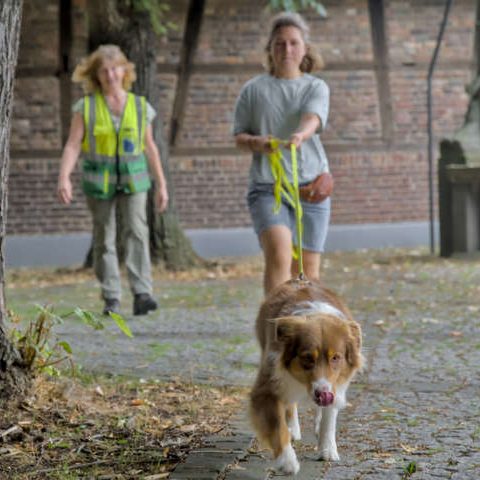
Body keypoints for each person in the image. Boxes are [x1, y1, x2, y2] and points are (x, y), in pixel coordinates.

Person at [57, 45, 168, 316]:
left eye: (115, 68)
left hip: (135, 182)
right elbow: (73, 145)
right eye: (104, 70)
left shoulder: (141, 107)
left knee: (137, 232)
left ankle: (142, 294)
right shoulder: (86, 107)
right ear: (96, 75)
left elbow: (150, 147)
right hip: (99, 183)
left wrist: (161, 184)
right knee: (104, 237)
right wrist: (64, 177)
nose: (110, 74)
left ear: (124, 70)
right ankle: (111, 298)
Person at [233, 12, 333, 294]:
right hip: (268, 186)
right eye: (279, 44)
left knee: (308, 269)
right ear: (270, 48)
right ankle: (276, 327)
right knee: (279, 254)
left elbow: (312, 117)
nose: (286, 50)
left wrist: (301, 134)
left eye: (293, 43)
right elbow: (238, 137)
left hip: (311, 187)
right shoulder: (253, 90)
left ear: (305, 49)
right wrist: (257, 143)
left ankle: (304, 327)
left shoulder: (316, 86)